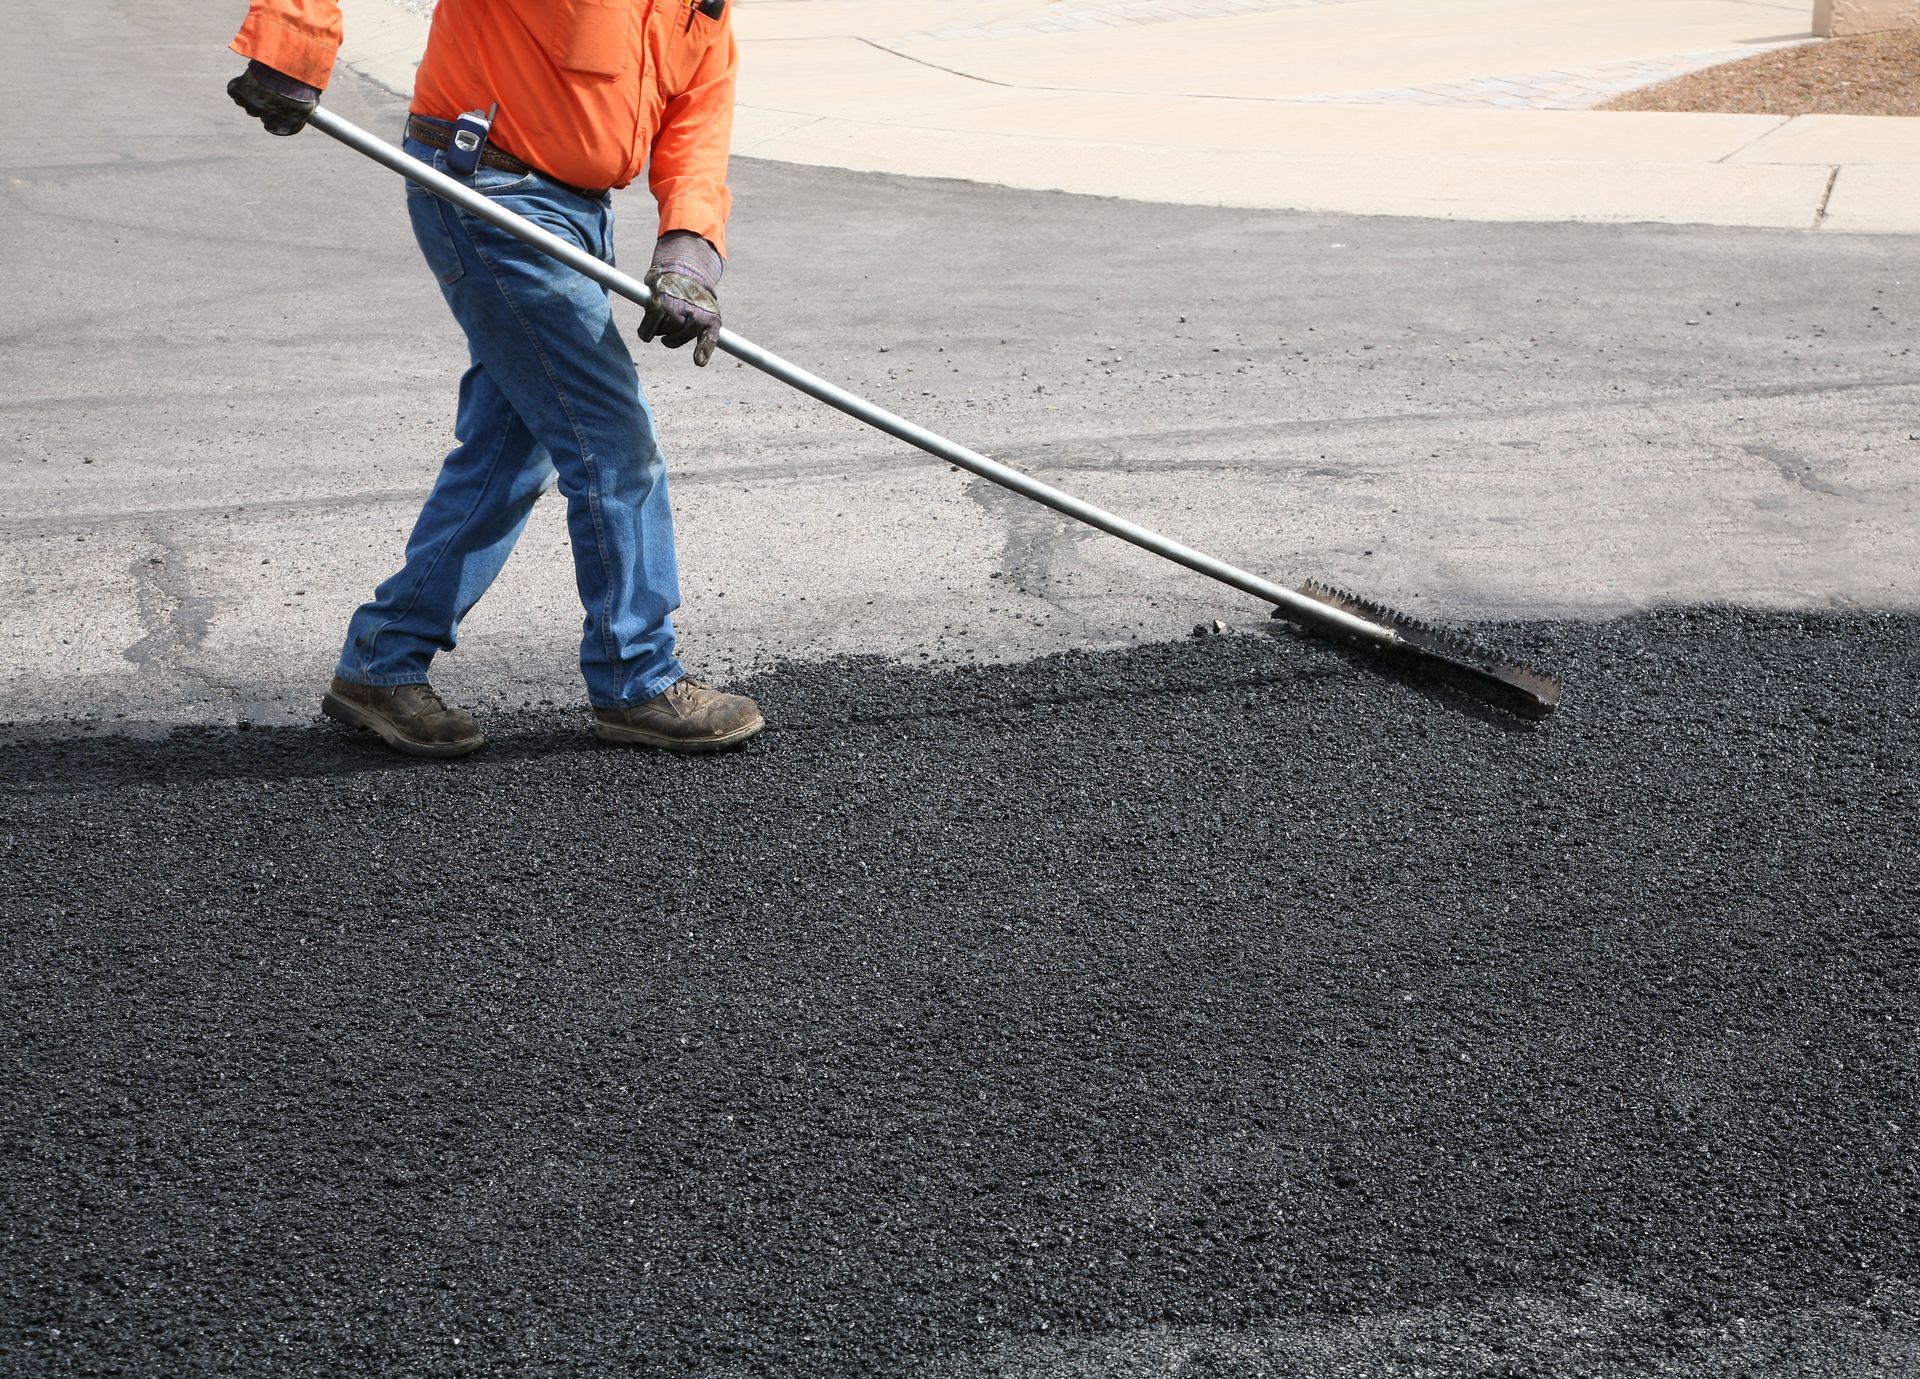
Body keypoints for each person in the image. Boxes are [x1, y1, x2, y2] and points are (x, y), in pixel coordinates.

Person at [227, 0, 765, 757]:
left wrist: (689, 246)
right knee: (613, 443)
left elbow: (699, 112)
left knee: (508, 454)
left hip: (580, 214)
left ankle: (382, 662)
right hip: (489, 193)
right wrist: (293, 44)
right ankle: (637, 679)